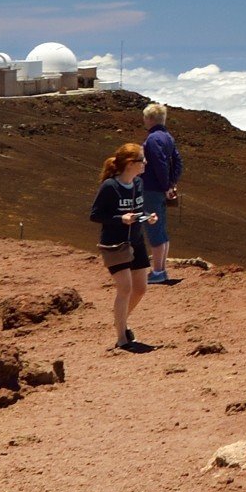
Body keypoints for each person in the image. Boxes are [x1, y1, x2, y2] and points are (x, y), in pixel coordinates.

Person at [89, 140, 160, 350]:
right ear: (130, 163)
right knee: (125, 287)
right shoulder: (110, 186)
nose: (145, 163)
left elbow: (135, 211)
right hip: (115, 244)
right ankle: (122, 338)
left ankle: (121, 322)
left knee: (140, 288)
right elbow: (96, 215)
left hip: (136, 242)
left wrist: (146, 217)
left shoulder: (137, 183)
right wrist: (120, 219)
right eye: (142, 160)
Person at [141, 102, 184, 284]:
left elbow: (160, 164)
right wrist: (172, 184)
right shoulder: (167, 137)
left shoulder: (152, 139)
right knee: (161, 229)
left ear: (150, 119)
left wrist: (166, 185)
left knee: (153, 228)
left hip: (152, 189)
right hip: (161, 189)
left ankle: (158, 272)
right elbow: (178, 162)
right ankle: (161, 270)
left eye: (145, 117)